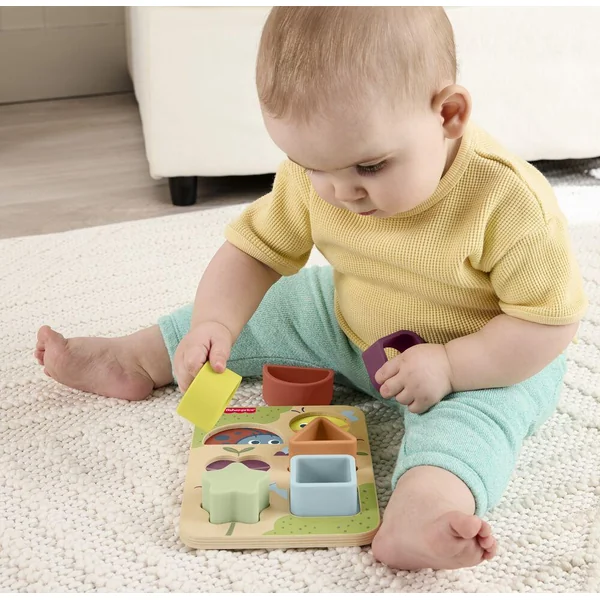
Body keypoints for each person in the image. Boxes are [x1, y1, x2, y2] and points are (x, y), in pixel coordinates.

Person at [35, 7, 587, 570]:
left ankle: (424, 508)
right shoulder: (318, 175)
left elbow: (545, 323)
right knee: (273, 307)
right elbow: (253, 252)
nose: (338, 191)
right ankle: (138, 355)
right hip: (350, 321)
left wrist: (451, 365)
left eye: (369, 166)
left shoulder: (508, 201)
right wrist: (214, 323)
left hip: (485, 355)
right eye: (311, 165)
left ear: (447, 114)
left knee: (473, 425)